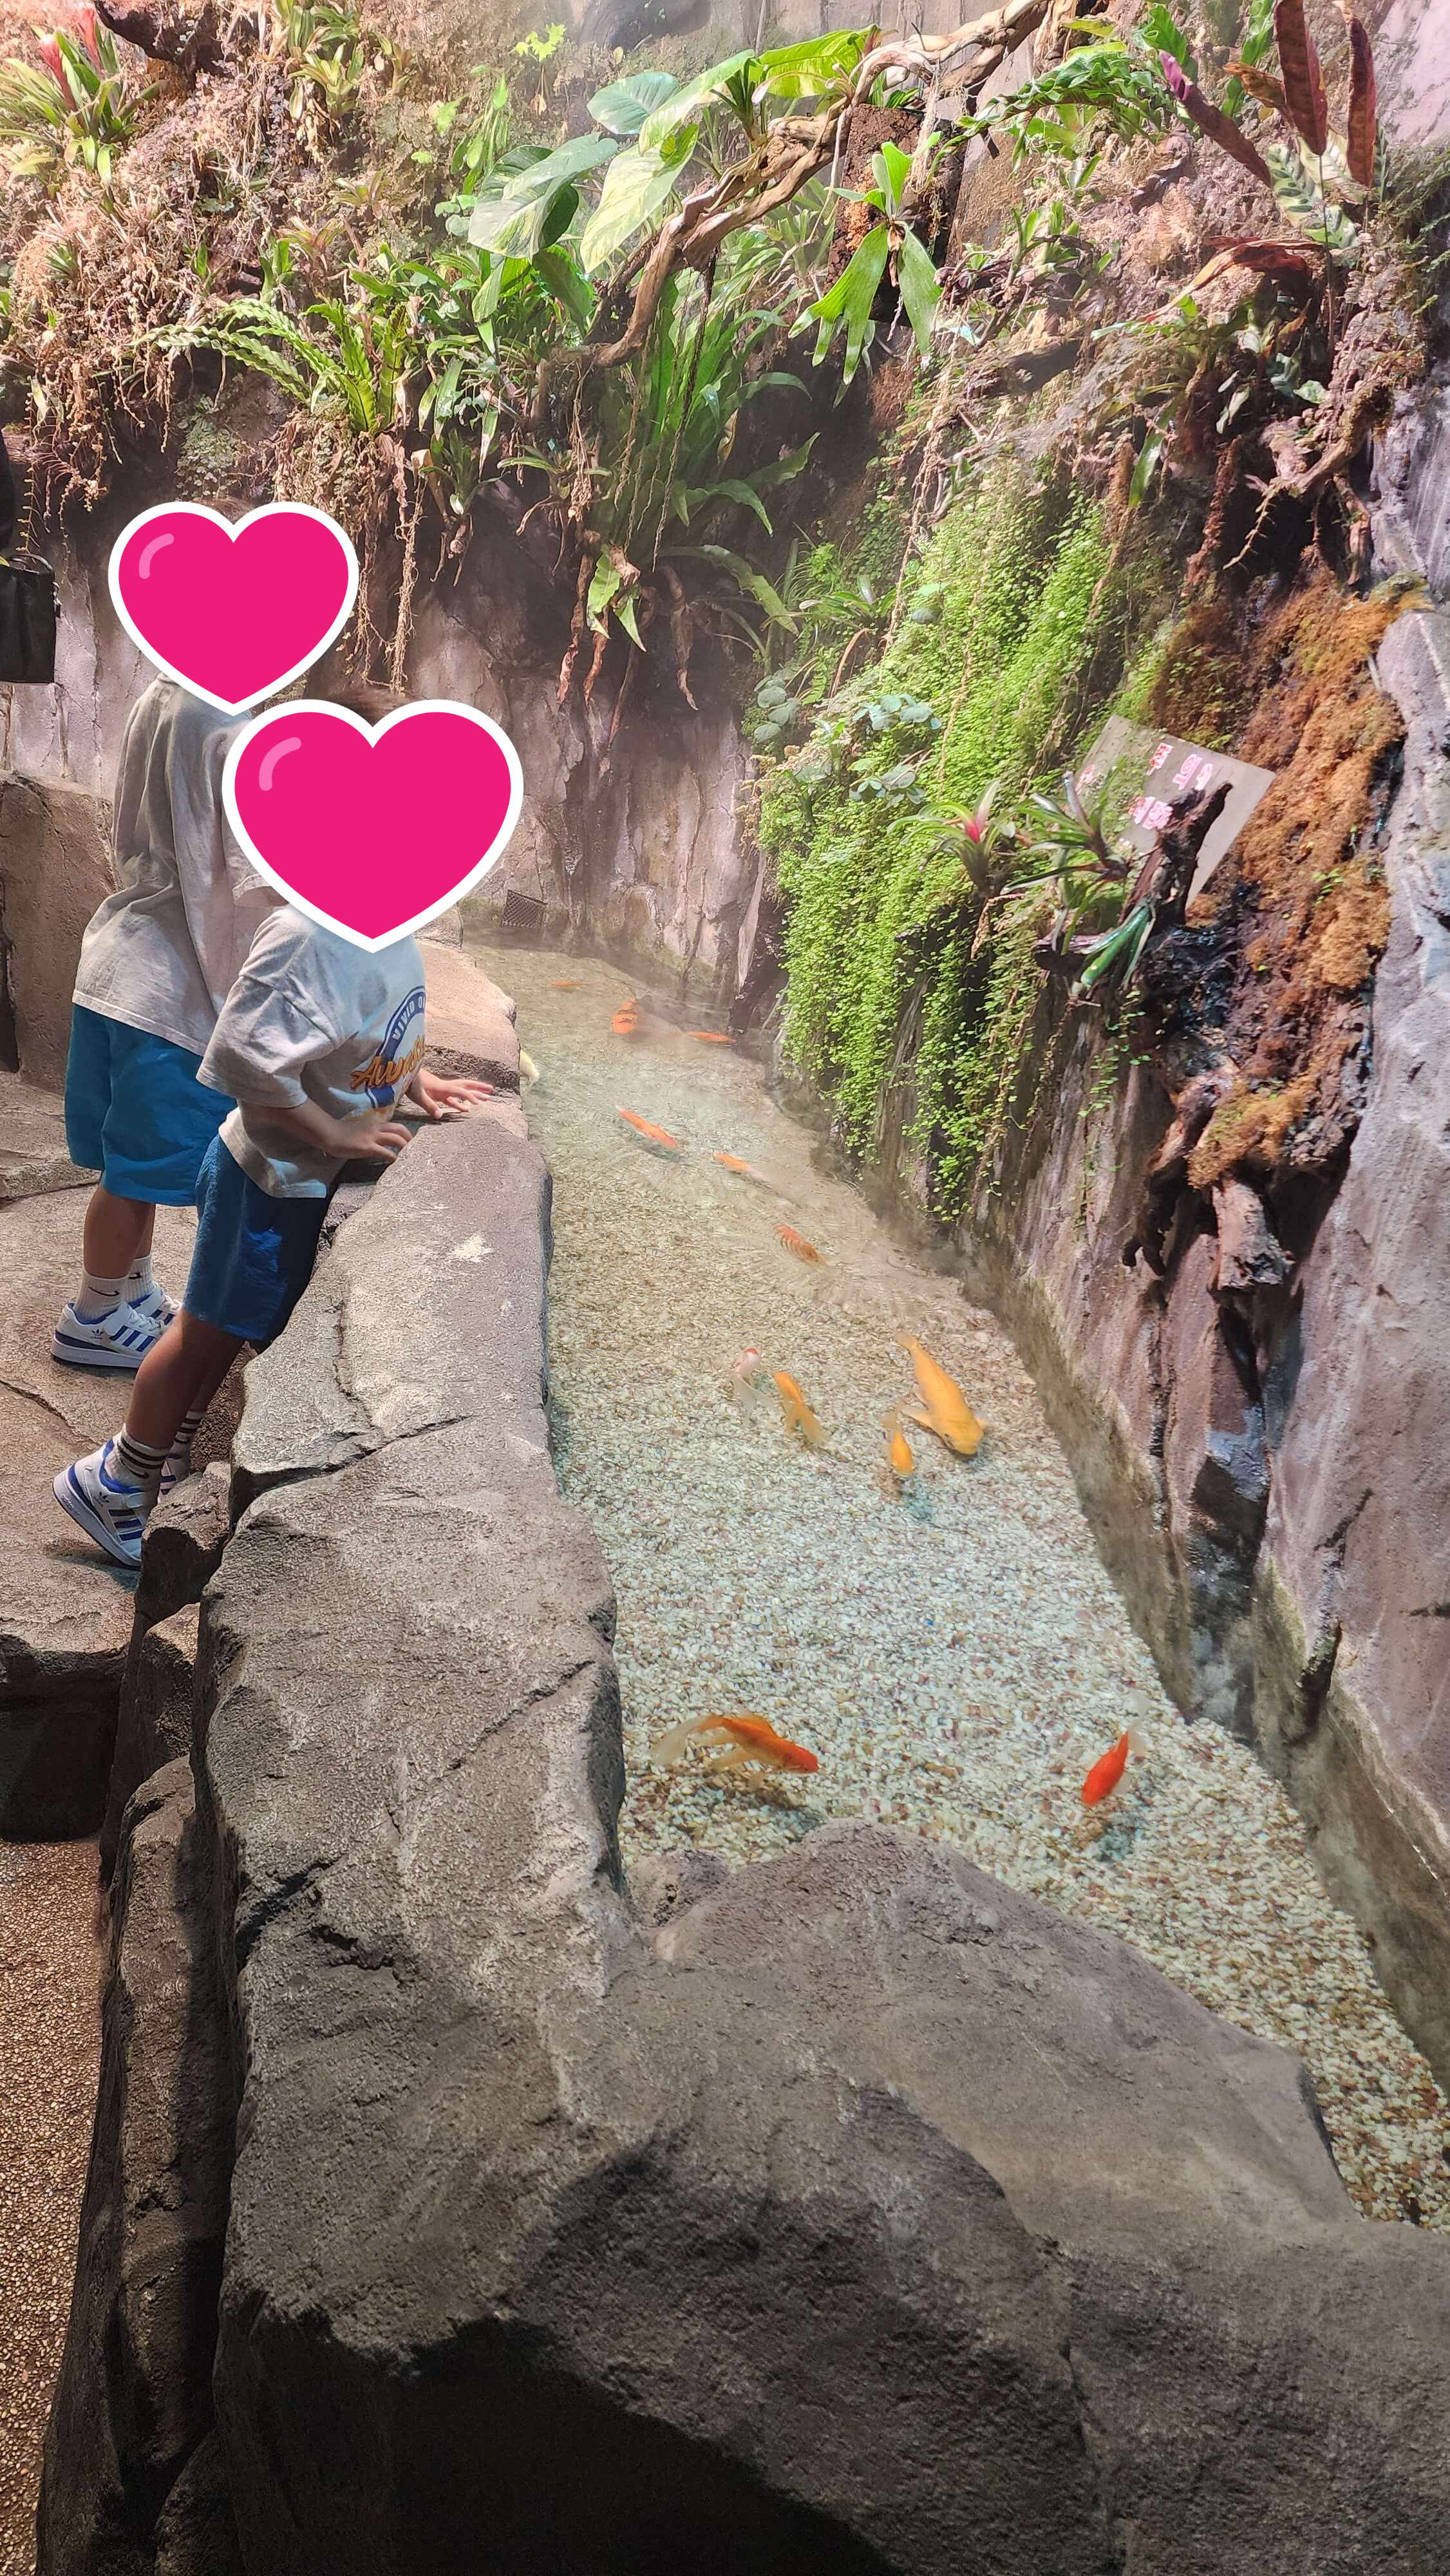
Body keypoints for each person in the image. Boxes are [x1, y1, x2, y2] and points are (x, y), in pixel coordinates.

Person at [52, 899, 493, 1565]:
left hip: (298, 1182)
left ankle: (163, 1456)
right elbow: (245, 1063)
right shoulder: (305, 940)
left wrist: (414, 1080)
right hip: (264, 1183)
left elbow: (374, 1027)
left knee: (223, 1334)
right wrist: (333, 1131)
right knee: (198, 1337)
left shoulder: (383, 928)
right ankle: (114, 1479)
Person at [53, 676, 275, 1368]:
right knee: (137, 1173)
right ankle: (92, 1315)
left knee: (132, 1168)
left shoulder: (161, 692)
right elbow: (250, 878)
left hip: (121, 962)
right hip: (172, 993)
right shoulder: (230, 724)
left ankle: (130, 1294)